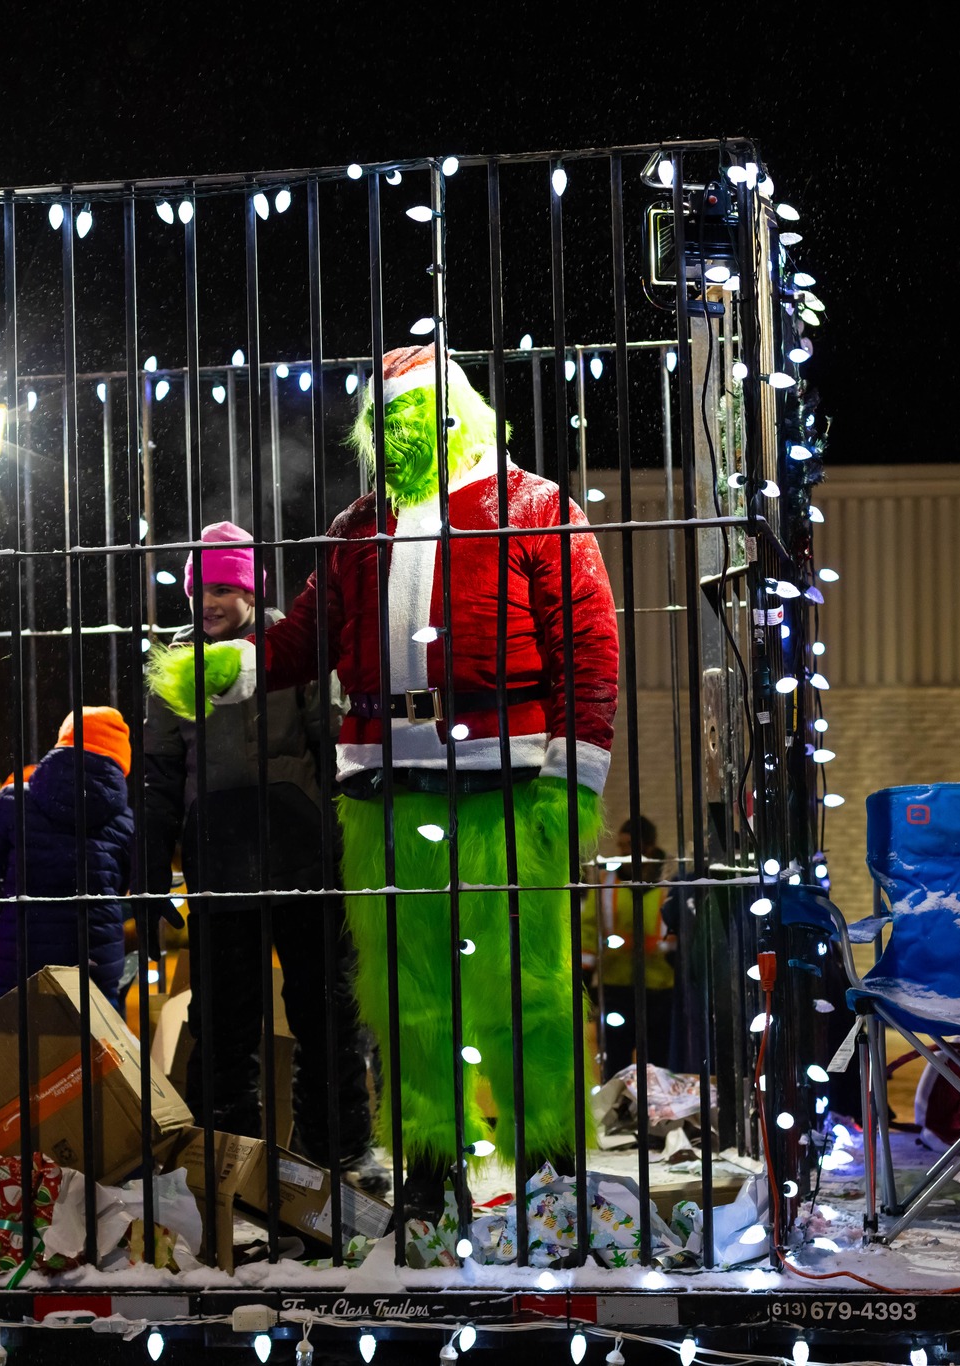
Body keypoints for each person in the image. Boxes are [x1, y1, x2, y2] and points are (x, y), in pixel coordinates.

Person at [148, 346, 619, 1223]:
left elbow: (588, 649)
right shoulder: (358, 526)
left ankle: (551, 1169)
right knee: (409, 997)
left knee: (527, 985)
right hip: (383, 790)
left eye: (422, 419)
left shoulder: (536, 508)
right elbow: (309, 638)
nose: (405, 437)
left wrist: (570, 782)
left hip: (507, 784)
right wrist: (229, 670)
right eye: (392, 421)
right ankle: (431, 1170)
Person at [141, 521, 377, 1186]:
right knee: (222, 1024)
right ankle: (223, 1167)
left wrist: (353, 848)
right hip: (219, 863)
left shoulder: (290, 651)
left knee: (326, 1014)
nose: (210, 602)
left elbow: (333, 747)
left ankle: (335, 1157)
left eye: (223, 588)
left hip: (304, 857)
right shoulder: (174, 663)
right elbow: (158, 776)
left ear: (250, 590)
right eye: (201, 590)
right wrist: (152, 871)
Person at [0, 707, 136, 1008]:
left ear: (64, 742)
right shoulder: (124, 822)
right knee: (94, 1045)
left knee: (6, 1041)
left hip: (21, 957)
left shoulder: (14, 800)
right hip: (92, 961)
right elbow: (125, 885)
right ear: (120, 761)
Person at [595, 816, 674, 1077]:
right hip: (616, 985)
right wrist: (584, 974)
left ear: (648, 847)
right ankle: (616, 1110)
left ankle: (655, 1113)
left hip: (659, 988)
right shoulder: (607, 882)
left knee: (657, 1063)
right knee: (614, 1061)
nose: (622, 851)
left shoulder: (671, 883)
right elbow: (588, 930)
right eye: (620, 845)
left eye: (628, 845)